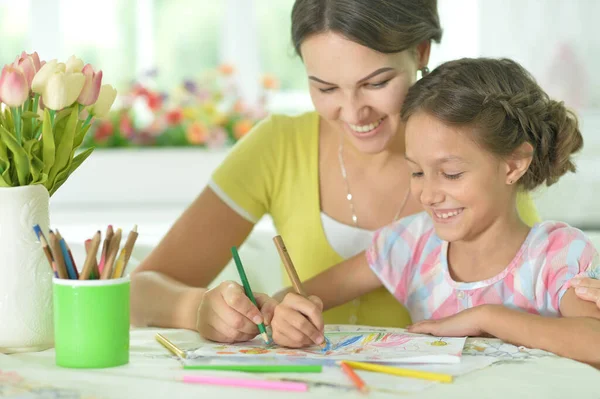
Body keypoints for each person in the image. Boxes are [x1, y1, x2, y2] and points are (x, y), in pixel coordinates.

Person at [130, 0, 545, 343]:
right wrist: (199, 309)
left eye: (376, 83)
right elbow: (138, 291)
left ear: (420, 51)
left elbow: (538, 293)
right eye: (325, 88)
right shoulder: (278, 147)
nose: (352, 112)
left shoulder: (475, 154)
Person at [269, 58, 600, 367]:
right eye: (416, 172)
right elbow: (293, 298)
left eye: (451, 174)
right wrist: (285, 315)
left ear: (513, 164)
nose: (427, 194)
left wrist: (487, 318)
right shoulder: (411, 244)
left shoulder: (556, 255)